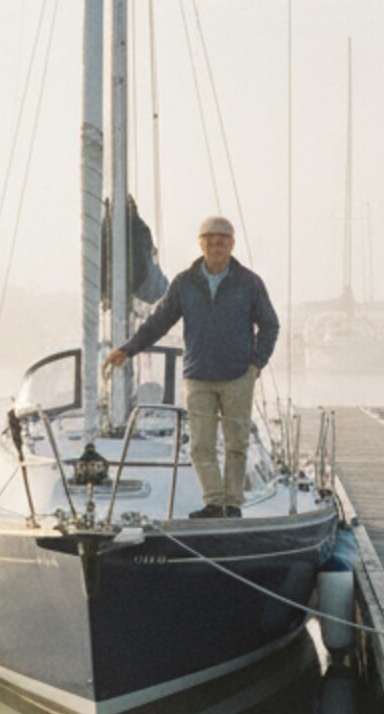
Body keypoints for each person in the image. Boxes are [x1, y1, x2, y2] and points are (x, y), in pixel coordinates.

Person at [104, 216, 279, 518]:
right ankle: (214, 502)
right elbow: (159, 322)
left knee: (237, 444)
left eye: (222, 241)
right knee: (200, 446)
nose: (216, 246)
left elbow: (270, 324)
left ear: (232, 245)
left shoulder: (249, 282)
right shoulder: (185, 283)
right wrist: (127, 350)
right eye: (210, 241)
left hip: (239, 375)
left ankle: (232, 505)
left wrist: (256, 363)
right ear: (201, 244)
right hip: (198, 376)